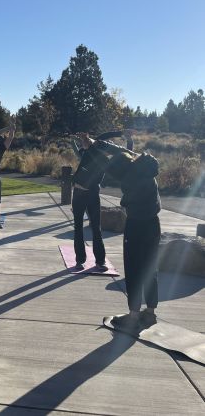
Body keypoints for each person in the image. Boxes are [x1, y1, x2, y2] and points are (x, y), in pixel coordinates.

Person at [98, 139, 161, 329]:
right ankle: (149, 312)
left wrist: (92, 149)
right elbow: (124, 153)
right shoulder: (146, 167)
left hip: (136, 226)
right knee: (150, 267)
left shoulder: (129, 179)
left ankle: (133, 316)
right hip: (153, 224)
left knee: (133, 269)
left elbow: (109, 167)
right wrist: (102, 144)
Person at [70, 130, 133, 272]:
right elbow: (103, 136)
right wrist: (120, 132)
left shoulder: (106, 162)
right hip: (79, 193)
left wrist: (129, 141)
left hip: (92, 194)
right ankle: (80, 261)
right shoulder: (89, 151)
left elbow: (126, 155)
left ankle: (100, 261)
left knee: (96, 229)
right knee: (78, 227)